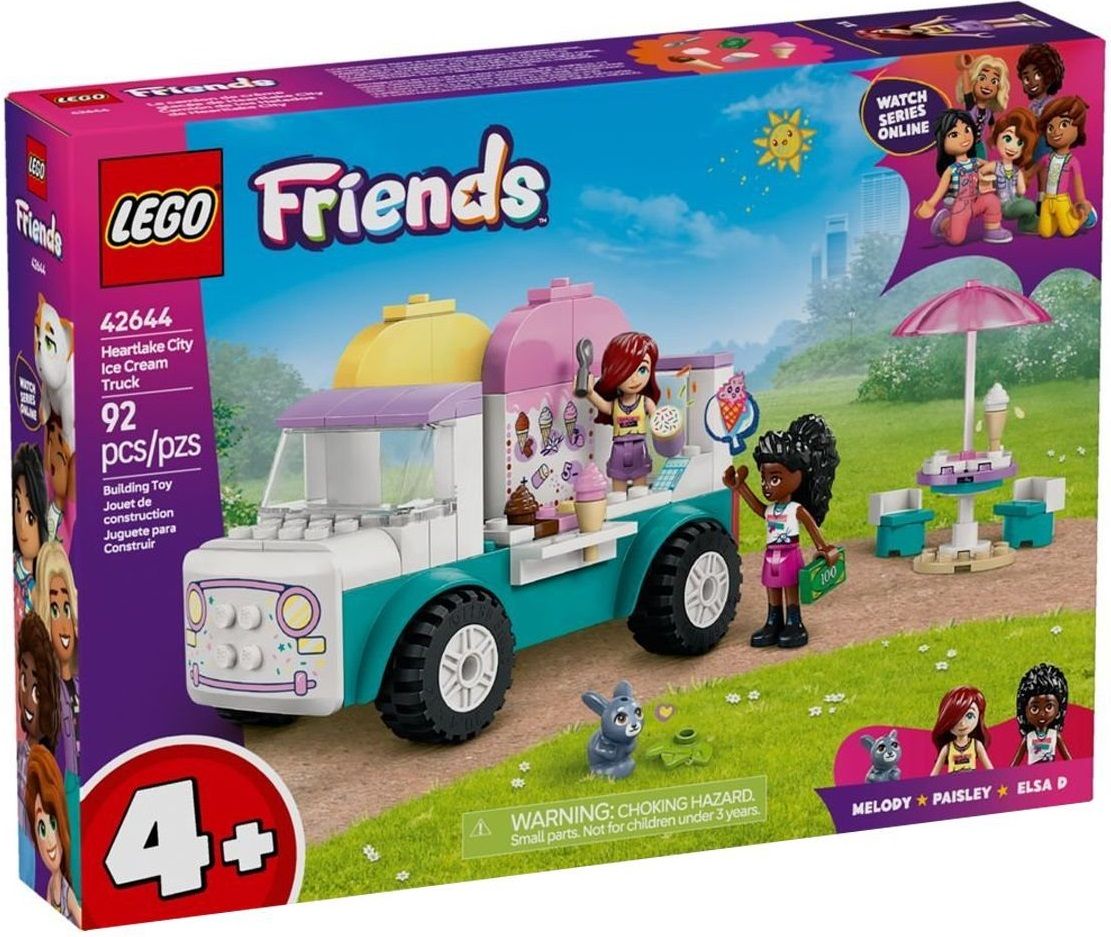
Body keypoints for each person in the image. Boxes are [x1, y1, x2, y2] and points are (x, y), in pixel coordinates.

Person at [722, 414, 840, 649]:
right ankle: (773, 620)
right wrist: (740, 487)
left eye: (775, 479)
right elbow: (758, 508)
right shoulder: (772, 510)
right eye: (764, 479)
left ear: (798, 476)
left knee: (790, 587)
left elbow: (811, 527)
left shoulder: (796, 509)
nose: (767, 486)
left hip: (789, 553)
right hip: (771, 554)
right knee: (772, 587)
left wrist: (824, 547)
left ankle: (794, 622)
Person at [915, 109, 1011, 245]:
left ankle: (993, 230)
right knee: (956, 239)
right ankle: (944, 223)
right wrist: (930, 204)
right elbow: (940, 191)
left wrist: (1001, 170)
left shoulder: (976, 161)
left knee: (992, 201)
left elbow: (993, 167)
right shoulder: (951, 170)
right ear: (942, 141)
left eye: (967, 130)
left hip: (976, 201)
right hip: (959, 206)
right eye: (954, 134)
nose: (964, 137)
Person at [584, 332, 660, 492]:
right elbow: (602, 404)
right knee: (618, 490)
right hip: (618, 449)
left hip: (639, 447)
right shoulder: (615, 405)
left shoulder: (645, 402)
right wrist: (589, 392)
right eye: (626, 371)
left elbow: (658, 422)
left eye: (642, 370)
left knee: (640, 490)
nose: (634, 379)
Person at [24, 745, 81, 925]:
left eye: (54, 824)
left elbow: (81, 919)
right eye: (42, 828)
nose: (49, 840)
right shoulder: (49, 886)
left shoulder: (67, 892)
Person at [1036, 95, 1093, 238]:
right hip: (1047, 200)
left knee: (1068, 231)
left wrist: (1081, 200)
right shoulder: (1046, 158)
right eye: (1050, 127)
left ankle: (1084, 217)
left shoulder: (1072, 161)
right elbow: (1034, 170)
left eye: (1063, 125)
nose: (1055, 131)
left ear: (1077, 128)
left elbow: (1077, 182)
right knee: (1045, 233)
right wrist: (1025, 176)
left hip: (1061, 200)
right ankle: (1057, 221)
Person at [981, 107, 1039, 235]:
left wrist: (1020, 187)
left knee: (1028, 204)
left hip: (1014, 200)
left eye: (1019, 143)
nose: (1012, 147)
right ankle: (1026, 223)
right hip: (1002, 205)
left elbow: (1021, 191)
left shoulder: (1017, 171)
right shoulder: (995, 166)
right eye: (1007, 139)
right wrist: (985, 182)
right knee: (1030, 206)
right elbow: (980, 172)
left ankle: (1027, 224)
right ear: (997, 137)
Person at [1010, 663, 1072, 766]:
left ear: (1058, 711)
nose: (1042, 714)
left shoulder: (1054, 735)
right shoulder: (1029, 737)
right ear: (1025, 711)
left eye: (1049, 707)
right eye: (1034, 709)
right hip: (1032, 774)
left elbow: (1069, 761)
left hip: (1050, 773)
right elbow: (1015, 764)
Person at [930, 686, 994, 775]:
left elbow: (990, 770)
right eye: (955, 719)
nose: (962, 724)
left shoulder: (976, 745)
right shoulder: (947, 748)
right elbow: (934, 774)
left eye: (969, 716)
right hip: (953, 782)